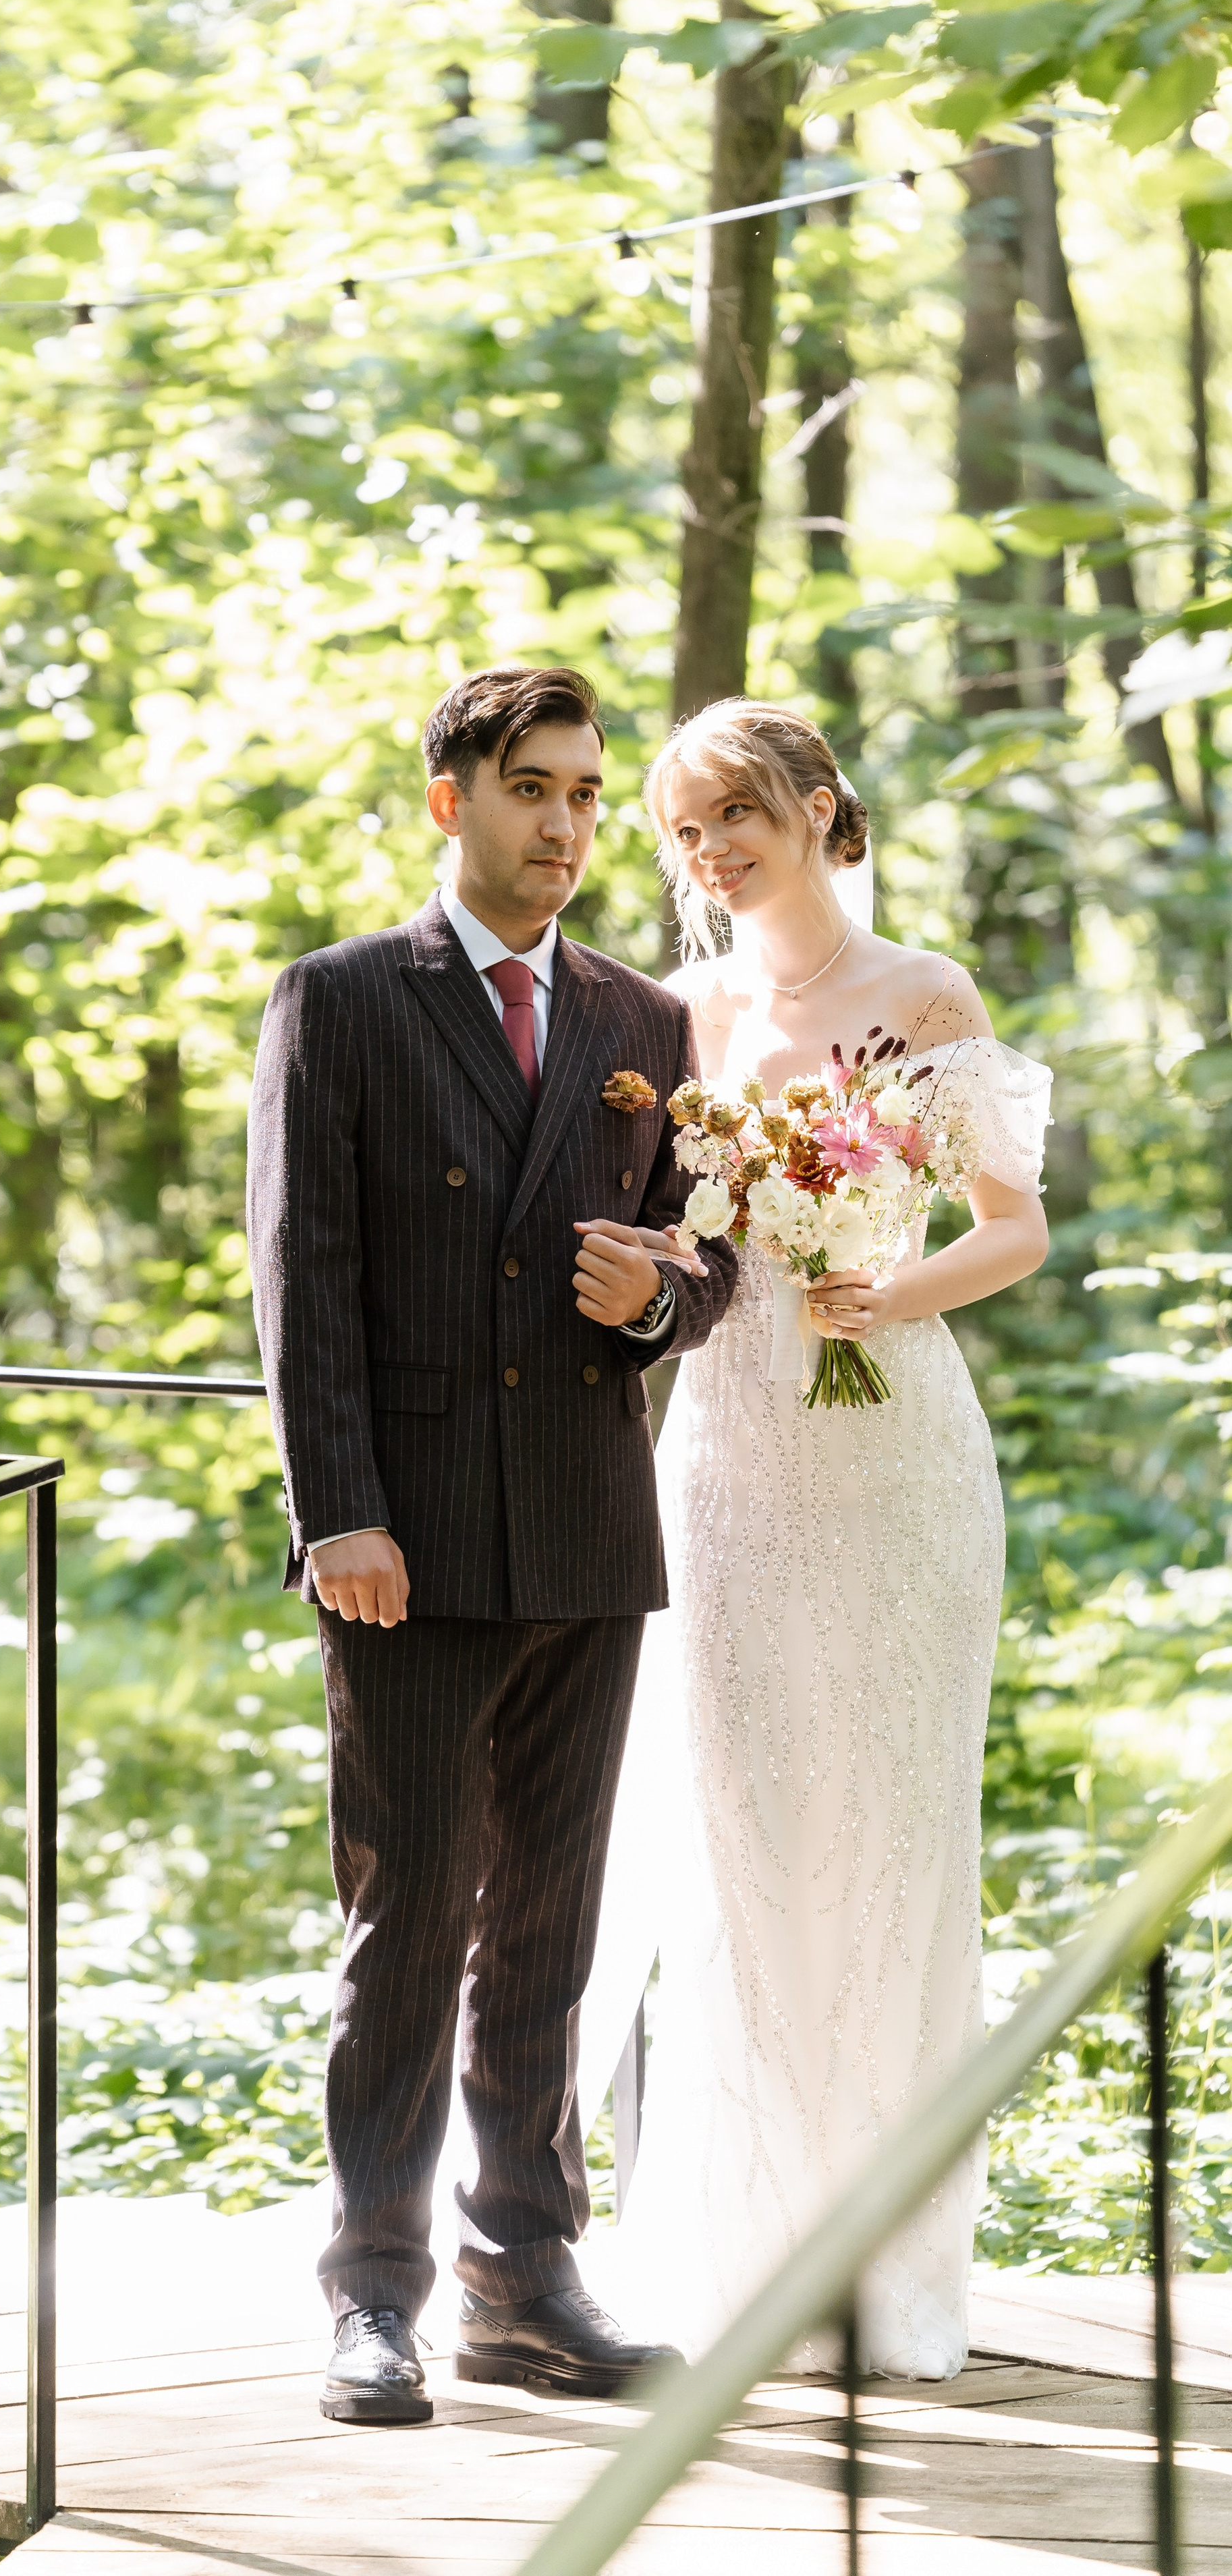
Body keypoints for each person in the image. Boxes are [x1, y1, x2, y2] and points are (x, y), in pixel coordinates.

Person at [246, 665, 738, 2426]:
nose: (566, 825)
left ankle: (522, 2282)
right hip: (413, 1540)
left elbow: (703, 1249)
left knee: (547, 1931)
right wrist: (339, 1514)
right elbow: (302, 1279)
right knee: (406, 1929)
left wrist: (655, 1300)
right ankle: (370, 2297)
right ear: (451, 802)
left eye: (588, 793)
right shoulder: (342, 999)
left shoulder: (642, 1017)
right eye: (533, 788)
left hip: (587, 1530)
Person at [584, 696, 1052, 2380]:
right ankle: (742, 2257)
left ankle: (884, 2262)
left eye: (731, 814)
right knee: (738, 1839)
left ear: (814, 810)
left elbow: (1014, 1228)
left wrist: (886, 1291)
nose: (706, 851)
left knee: (887, 1840)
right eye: (680, 829)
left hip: (892, 1451)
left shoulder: (922, 994)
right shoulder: (676, 1011)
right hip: (723, 1457)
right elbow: (663, 1236)